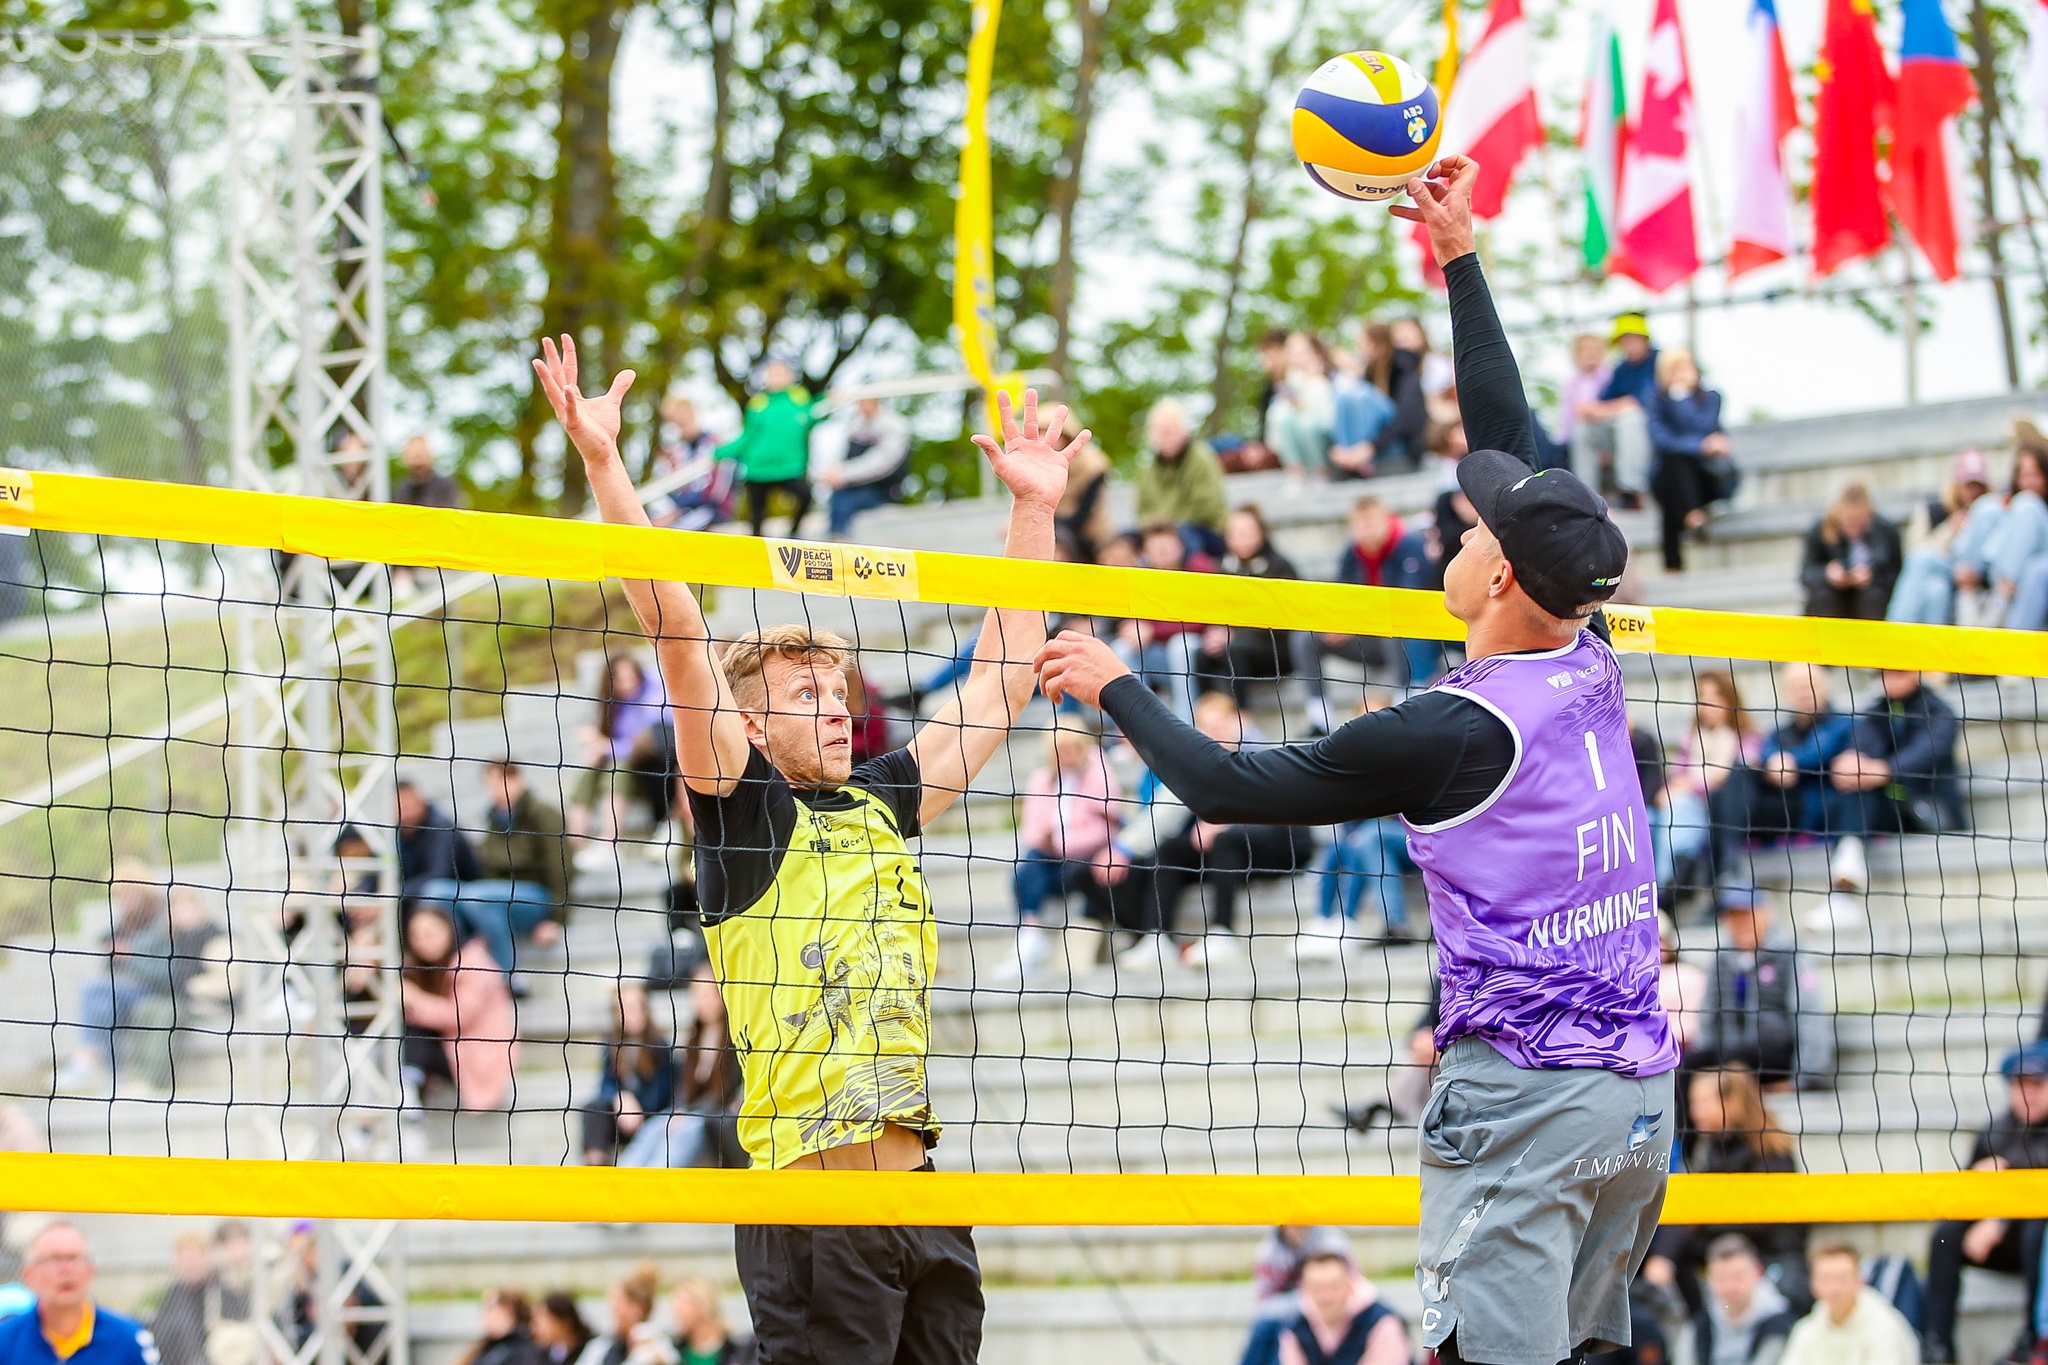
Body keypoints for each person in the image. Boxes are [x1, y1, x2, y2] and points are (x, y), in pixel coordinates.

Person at [1037, 156, 1678, 1365]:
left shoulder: (1444, 728)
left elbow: (1224, 787)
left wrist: (1113, 682)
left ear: (1498, 574)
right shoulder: (1588, 645)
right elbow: (1509, 438)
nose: (1453, 529)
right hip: (1637, 1097)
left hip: (1527, 1097)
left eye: (1470, 527)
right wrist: (1457, 254)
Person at [533, 334, 1083, 1364]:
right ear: (750, 723)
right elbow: (674, 625)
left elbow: (1001, 680)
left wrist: (1032, 510)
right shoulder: (740, 811)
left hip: (923, 1202)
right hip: (813, 1214)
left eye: (837, 691)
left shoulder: (882, 797)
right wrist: (605, 462)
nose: (835, 708)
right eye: (805, 696)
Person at [1136, 693, 1317, 966]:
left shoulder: (1260, 753)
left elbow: (1276, 810)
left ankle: (1223, 932)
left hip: (1283, 842)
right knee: (1170, 850)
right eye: (1208, 727)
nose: (1215, 732)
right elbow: (1167, 815)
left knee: (1225, 838)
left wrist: (1225, 823)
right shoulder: (1200, 766)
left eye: (1220, 724)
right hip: (1233, 850)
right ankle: (1157, 937)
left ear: (1238, 721)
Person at [1920, 1039, 2048, 1365]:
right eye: (2020, 1085)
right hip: (1993, 1244)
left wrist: (2000, 1218)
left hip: (2035, 1246)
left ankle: (2032, 1338)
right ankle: (1938, 1345)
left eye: (2037, 1084)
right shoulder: (1994, 1131)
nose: (2028, 1094)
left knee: (2039, 1228)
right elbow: (1966, 1195)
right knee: (1945, 1236)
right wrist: (1980, 1186)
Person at [1648, 1064, 1810, 1313]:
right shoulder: (1709, 1148)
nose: (1694, 1112)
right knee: (1668, 1246)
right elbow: (1694, 1205)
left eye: (1702, 1103)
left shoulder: (1770, 1152)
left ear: (1730, 1102)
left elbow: (1756, 1223)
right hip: (1727, 1249)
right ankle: (1698, 1320)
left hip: (1769, 1257)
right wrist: (1664, 1257)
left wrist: (1701, 1226)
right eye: (1693, 1103)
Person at [416, 759, 572, 984]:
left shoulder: (544, 814)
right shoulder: (493, 819)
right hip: (494, 895)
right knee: (436, 891)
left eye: (503, 781)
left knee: (479, 897)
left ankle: (508, 979)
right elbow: (487, 871)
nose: (497, 789)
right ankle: (453, 974)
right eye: (491, 784)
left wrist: (557, 919)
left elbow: (561, 868)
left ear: (519, 780)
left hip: (536, 898)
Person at [1725, 664, 1868, 890]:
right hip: (1788, 811)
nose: (1804, 692)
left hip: (1829, 809)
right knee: (1739, 774)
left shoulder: (1847, 723)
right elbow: (1767, 756)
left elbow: (1822, 749)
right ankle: (1725, 863)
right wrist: (1773, 766)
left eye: (1810, 685)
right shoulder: (1779, 733)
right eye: (1796, 687)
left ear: (1825, 687)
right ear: (1786, 693)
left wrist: (1791, 761)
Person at [1298, 695, 1415, 960]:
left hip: (1417, 839)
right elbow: (1348, 821)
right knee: (1338, 848)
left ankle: (1358, 922)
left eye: (1380, 716)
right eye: (1365, 717)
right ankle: (1324, 920)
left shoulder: (1408, 755)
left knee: (1368, 836)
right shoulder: (1355, 763)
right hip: (1372, 844)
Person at [1008, 720, 1124, 980]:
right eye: (1060, 749)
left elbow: (1105, 828)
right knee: (1026, 869)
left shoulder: (1098, 772)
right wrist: (1049, 841)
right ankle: (1030, 934)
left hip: (1087, 858)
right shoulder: (1041, 779)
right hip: (1050, 858)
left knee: (1071, 869)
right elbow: (1032, 831)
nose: (1066, 754)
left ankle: (1074, 941)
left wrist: (1060, 843)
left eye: (1072, 747)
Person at [1690, 885, 1834, 1091]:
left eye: (1747, 914)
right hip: (1731, 1057)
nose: (1741, 923)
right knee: (1690, 1066)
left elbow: (1809, 1016)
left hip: (1774, 1056)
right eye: (1733, 917)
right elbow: (1708, 1016)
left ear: (1764, 913)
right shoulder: (1721, 960)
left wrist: (1803, 1078)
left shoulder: (1789, 954)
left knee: (1735, 1060)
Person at [619, 961, 745, 1169]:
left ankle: (656, 1176)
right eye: (698, 995)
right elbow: (687, 1087)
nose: (703, 1002)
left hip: (715, 1117)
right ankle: (623, 1175)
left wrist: (687, 1113)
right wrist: (680, 1111)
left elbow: (725, 1094)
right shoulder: (696, 1036)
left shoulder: (735, 1037)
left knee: (687, 1127)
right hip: (695, 1112)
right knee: (658, 1124)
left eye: (708, 994)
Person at [399, 905, 517, 1113]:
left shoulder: (474, 962)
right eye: (415, 936)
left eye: (429, 933)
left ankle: (407, 1090)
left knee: (414, 1030)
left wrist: (415, 999)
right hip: (450, 1049)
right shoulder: (420, 965)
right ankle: (407, 1088)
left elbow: (460, 1018)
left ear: (448, 929)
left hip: (476, 1056)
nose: (422, 941)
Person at [1662, 671, 1765, 897]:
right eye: (1703, 696)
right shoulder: (1690, 739)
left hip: (1734, 813)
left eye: (1716, 696)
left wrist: (1692, 785)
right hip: (1696, 809)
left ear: (1730, 699)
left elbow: (1728, 778)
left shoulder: (1748, 738)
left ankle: (1683, 876)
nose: (1709, 704)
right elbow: (1676, 777)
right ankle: (1673, 876)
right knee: (1676, 807)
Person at [1304, 497, 1400, 735]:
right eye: (1361, 525)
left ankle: (1404, 705)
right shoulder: (1351, 553)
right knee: (1306, 638)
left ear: (1386, 521)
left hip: (1404, 640)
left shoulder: (1408, 546)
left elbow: (1406, 607)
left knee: (1399, 635)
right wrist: (1340, 624)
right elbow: (1341, 599)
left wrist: (1355, 622)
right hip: (1366, 639)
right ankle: (1319, 718)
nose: (1368, 531)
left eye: (1372, 523)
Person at [0, 1223, 158, 1365]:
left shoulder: (129, 1338)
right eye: (54, 1259)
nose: (66, 1269)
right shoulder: (6, 1341)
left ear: (91, 1270)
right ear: (28, 1274)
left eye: (74, 1258)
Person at [1832, 670, 1966, 836]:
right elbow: (1862, 745)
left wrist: (1885, 770)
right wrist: (1851, 763)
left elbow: (1927, 752)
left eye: (1899, 673)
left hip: (1931, 806)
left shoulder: (1938, 712)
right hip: (1888, 808)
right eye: (1884, 673)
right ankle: (1850, 843)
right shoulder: (1876, 712)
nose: (1890, 679)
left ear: (1916, 674)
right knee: (1855, 786)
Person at [1198, 505, 1304, 704]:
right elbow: (1214, 609)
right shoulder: (1222, 568)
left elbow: (1283, 620)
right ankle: (1206, 714)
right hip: (1234, 646)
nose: (1241, 538)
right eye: (1235, 532)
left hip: (1277, 650)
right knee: (1201, 655)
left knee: (1234, 651)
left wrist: (1234, 635)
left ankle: (1242, 716)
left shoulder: (1280, 567)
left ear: (1261, 532)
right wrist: (1215, 633)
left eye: (1246, 531)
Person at [1113, 520, 1216, 722]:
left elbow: (1200, 620)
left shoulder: (1199, 568)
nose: (1162, 553)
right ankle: (1137, 723)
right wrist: (1132, 628)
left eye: (1167, 547)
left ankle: (1188, 723)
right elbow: (1132, 622)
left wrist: (1153, 629)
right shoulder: (1139, 577)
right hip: (1159, 656)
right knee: (1122, 648)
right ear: (1146, 552)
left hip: (1197, 652)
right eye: (1156, 548)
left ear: (1180, 546)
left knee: (1180, 645)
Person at [1239, 1248, 1411, 1365]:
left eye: (1333, 1287)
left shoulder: (1382, 1323)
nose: (1325, 1296)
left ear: (1349, 1285)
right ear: (1305, 1289)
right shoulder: (1295, 1327)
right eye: (1317, 1288)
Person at [1887, 450, 2001, 626]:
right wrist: (1950, 529)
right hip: (1944, 572)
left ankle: (1894, 627)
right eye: (1968, 486)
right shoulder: (1933, 509)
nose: (1973, 492)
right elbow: (1914, 551)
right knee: (1936, 589)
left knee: (1922, 561)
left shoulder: (1988, 512)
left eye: (1978, 486)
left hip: (1972, 578)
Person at [571, 655, 669, 857]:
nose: (626, 683)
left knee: (618, 769)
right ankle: (573, 846)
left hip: (649, 769)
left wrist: (604, 746)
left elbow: (645, 744)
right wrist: (598, 749)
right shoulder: (612, 705)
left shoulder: (654, 694)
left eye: (630, 676)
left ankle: (611, 843)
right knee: (588, 772)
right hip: (618, 761)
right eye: (620, 679)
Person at [1644, 347, 1732, 574]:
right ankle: (1693, 514)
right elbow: (1661, 440)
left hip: (1706, 476)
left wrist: (1683, 400)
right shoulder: (1656, 399)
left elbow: (1704, 426)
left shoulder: (1711, 398)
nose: (1681, 374)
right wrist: (1700, 445)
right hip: (1670, 474)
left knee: (1676, 472)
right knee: (1674, 467)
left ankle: (1673, 564)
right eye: (1674, 370)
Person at [581, 981, 679, 1165]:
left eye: (638, 1007)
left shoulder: (660, 1045)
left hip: (651, 1118)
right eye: (627, 1008)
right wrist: (620, 1098)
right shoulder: (611, 1045)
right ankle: (595, 1166)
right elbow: (605, 1085)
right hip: (623, 1117)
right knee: (593, 1108)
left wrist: (636, 1106)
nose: (634, 1013)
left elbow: (663, 1092)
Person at [719, 358, 820, 537]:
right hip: (758, 469)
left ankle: (793, 533)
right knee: (756, 516)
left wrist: (829, 399)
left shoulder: (799, 398)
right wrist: (721, 452)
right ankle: (757, 547)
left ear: (790, 377)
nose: (777, 378)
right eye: (773, 374)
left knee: (806, 495)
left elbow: (814, 415)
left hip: (788, 467)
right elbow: (748, 436)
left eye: (781, 374)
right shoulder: (758, 403)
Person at [1780, 1243, 1917, 1365]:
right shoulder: (1805, 1330)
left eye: (1842, 1279)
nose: (1834, 1288)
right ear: (1813, 1284)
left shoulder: (1884, 1327)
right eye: (1826, 1279)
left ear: (1860, 1280)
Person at [1571, 314, 1657, 503]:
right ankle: (1587, 495)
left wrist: (1603, 409)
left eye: (1632, 339)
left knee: (1631, 418)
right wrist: (1594, 410)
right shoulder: (1622, 370)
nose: (1628, 345)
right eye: (1624, 341)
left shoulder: (1658, 362)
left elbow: (1637, 403)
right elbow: (1605, 401)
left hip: (1652, 430)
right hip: (1619, 433)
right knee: (1583, 428)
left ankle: (1631, 489)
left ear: (1644, 339)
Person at [1690, 1235, 1799, 1365]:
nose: (1730, 1287)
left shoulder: (1780, 1322)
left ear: (1757, 1272)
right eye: (1721, 1278)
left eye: (1738, 1277)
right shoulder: (1700, 1323)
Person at [1135, 398, 1228, 548]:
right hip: (1160, 532)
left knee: (1181, 538)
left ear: (1183, 431)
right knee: (1126, 540)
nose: (1165, 437)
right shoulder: (1148, 469)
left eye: (1169, 431)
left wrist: (1170, 527)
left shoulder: (1202, 459)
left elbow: (1208, 508)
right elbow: (1142, 510)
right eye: (1160, 431)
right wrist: (1157, 529)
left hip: (1204, 531)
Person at [1801, 486, 1902, 620]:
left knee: (1873, 597)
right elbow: (1806, 574)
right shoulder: (1820, 530)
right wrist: (1827, 574)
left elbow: (1897, 574)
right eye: (1849, 520)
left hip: (1870, 597)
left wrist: (1872, 575)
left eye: (1859, 522)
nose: (1854, 527)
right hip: (1832, 596)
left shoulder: (1885, 531)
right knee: (1823, 597)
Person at [820, 395, 910, 537]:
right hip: (853, 487)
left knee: (845, 499)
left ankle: (837, 538)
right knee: (840, 495)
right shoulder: (855, 424)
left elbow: (882, 464)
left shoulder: (894, 425)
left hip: (884, 490)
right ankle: (836, 538)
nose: (861, 406)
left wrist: (843, 474)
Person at [647, 396, 737, 532]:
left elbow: (717, 494)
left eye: (683, 418)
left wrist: (679, 510)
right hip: (684, 511)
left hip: (711, 511)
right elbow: (674, 491)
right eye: (675, 422)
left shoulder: (716, 444)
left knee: (670, 535)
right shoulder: (678, 451)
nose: (680, 425)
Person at [1982, 446, 2048, 627]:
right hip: (2004, 572)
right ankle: (2001, 590)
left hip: (2026, 574)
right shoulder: (2010, 508)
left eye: (2035, 474)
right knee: (1988, 508)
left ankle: (2003, 593)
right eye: (2025, 475)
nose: (2030, 481)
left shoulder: (2031, 507)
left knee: (2035, 569)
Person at [397, 780, 481, 907]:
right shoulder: (395, 834)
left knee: (433, 891)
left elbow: (439, 874)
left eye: (408, 807)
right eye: (400, 809)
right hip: (418, 896)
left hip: (460, 895)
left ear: (421, 802)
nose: (405, 814)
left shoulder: (443, 829)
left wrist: (397, 893)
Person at [1265, 331, 1338, 476]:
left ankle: (1321, 471)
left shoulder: (1327, 376)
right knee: (1284, 419)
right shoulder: (1291, 379)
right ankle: (1295, 470)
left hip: (1326, 436)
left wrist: (1314, 379)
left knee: (1307, 424)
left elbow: (1328, 417)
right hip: (1300, 434)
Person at [593, 1266, 672, 1365]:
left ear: (638, 1308)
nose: (612, 1309)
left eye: (618, 1302)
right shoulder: (611, 1344)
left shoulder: (656, 1343)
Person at [668, 1278, 754, 1365]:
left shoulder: (738, 1352)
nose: (676, 1314)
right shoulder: (673, 1353)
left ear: (702, 1307)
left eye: (681, 1307)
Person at [1555, 333, 1612, 452]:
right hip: (1573, 439)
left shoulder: (1610, 377)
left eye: (1595, 349)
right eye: (1585, 349)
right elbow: (1566, 417)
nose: (1590, 353)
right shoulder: (1572, 383)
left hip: (1603, 432)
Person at [459, 1288, 547, 1365]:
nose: (485, 1315)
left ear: (507, 1309)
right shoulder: (486, 1348)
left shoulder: (524, 1349)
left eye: (490, 1308)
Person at [391, 434, 466, 509]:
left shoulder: (446, 485)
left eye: (421, 453)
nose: (417, 457)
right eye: (413, 453)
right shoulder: (400, 488)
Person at [533, 1292, 602, 1365]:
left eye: (542, 1321)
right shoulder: (551, 1353)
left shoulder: (595, 1349)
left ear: (563, 1322)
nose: (535, 1328)